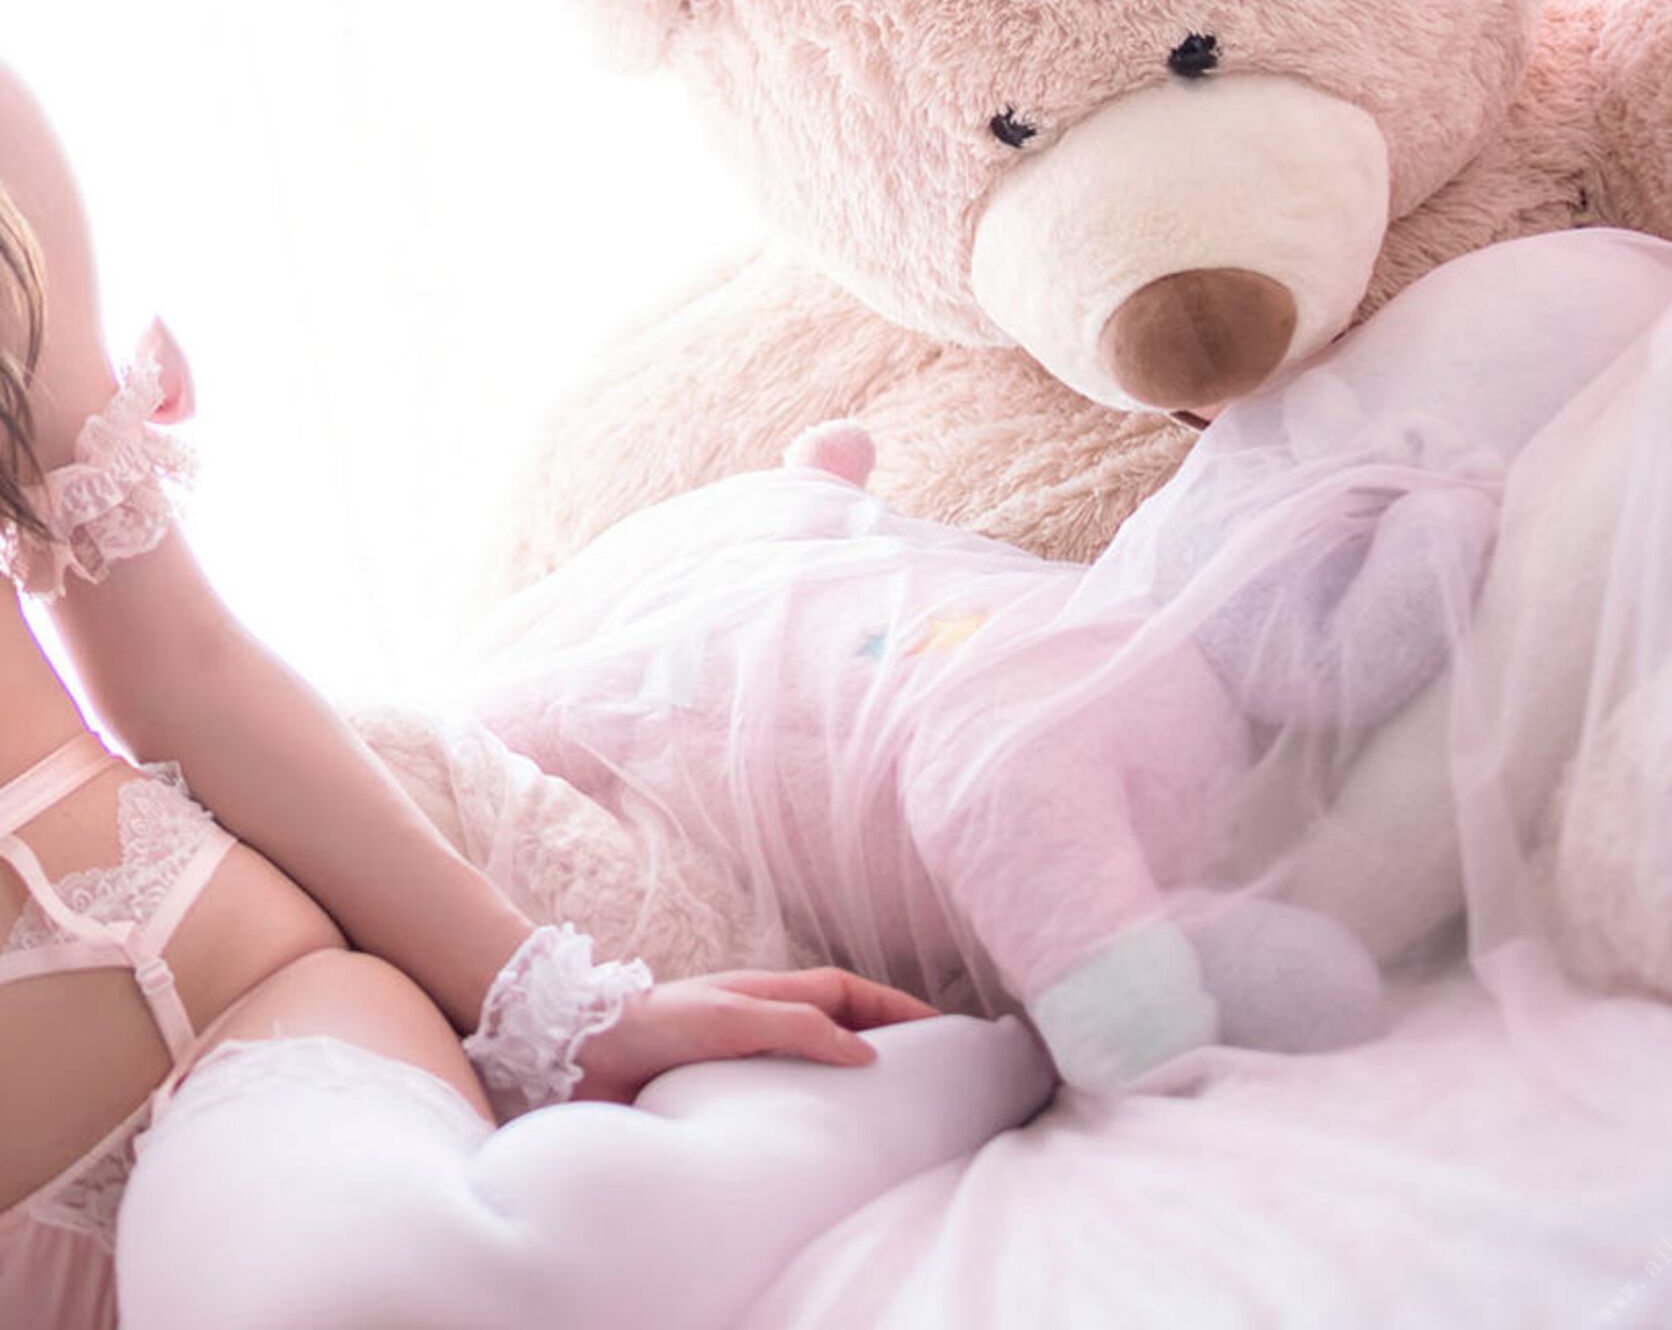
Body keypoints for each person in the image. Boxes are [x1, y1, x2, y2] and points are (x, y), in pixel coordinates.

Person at [0, 66, 1053, 1330]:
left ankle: (966, 1073)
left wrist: (554, 1010)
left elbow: (180, 671)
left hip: (212, 1024)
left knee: (383, 1304)